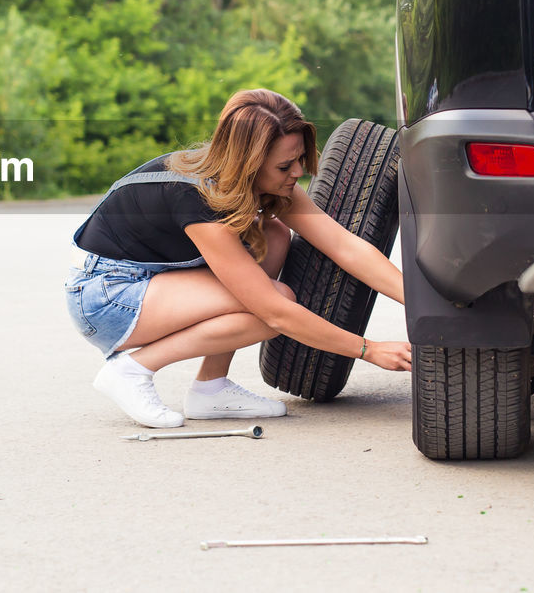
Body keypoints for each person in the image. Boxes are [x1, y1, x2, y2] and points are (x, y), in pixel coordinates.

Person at [65, 89, 412, 428]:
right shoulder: (198, 199)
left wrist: (420, 301)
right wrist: (369, 350)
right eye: (285, 165)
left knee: (273, 233)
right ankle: (131, 370)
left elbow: (343, 246)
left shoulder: (255, 182)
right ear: (249, 163)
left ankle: (210, 388)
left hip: (148, 280)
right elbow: (275, 314)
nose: (298, 173)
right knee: (275, 302)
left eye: (299, 160)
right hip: (105, 296)